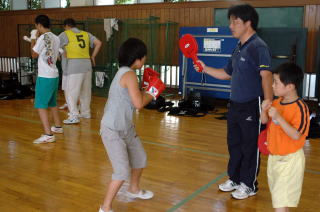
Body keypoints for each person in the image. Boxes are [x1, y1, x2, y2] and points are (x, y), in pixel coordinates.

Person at [194, 4, 273, 199]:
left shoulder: (258, 46)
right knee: (234, 144)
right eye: (231, 21)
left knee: (250, 146)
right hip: (235, 105)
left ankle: (249, 184)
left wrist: (267, 105)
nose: (231, 25)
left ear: (248, 23)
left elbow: (267, 76)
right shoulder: (238, 48)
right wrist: (204, 68)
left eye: (235, 21)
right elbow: (226, 74)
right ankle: (235, 178)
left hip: (252, 105)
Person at [99, 38, 165, 212]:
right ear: (138, 58)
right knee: (121, 172)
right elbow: (139, 104)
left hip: (125, 126)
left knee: (139, 158)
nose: (145, 60)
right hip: (112, 129)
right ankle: (105, 207)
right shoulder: (128, 74)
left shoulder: (124, 72)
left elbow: (133, 97)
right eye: (144, 57)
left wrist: (146, 89)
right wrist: (154, 90)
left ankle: (133, 189)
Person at [260, 62, 309, 212]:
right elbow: (264, 121)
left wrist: (280, 118)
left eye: (276, 82)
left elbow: (296, 135)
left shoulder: (300, 108)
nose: (272, 86)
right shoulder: (276, 102)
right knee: (280, 200)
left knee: (279, 203)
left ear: (290, 86)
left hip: (290, 161)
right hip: (274, 159)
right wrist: (264, 110)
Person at [59, 18, 102, 124]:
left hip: (74, 66)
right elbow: (99, 43)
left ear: (66, 26)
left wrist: (60, 54)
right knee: (85, 91)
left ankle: (74, 115)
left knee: (71, 92)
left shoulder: (65, 34)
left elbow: (55, 46)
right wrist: (93, 56)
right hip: (87, 64)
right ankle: (86, 113)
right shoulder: (86, 34)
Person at [30, 15, 63, 144]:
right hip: (54, 74)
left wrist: (33, 38)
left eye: (36, 26)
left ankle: (48, 134)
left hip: (45, 76)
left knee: (41, 105)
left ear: (38, 25)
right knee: (52, 102)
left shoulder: (42, 38)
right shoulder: (56, 37)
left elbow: (33, 54)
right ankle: (58, 126)